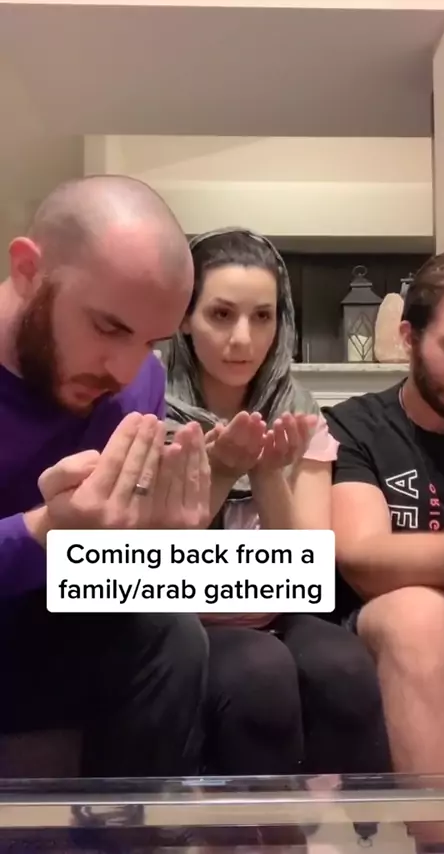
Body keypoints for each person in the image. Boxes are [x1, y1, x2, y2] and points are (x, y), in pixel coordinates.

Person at [0, 174, 210, 783]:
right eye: (108, 328)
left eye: (151, 342)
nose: (124, 369)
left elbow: (110, 583)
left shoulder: (139, 383)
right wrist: (43, 531)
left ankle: (128, 828)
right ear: (27, 270)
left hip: (54, 636)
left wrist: (157, 550)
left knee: (180, 638)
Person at [165, 227, 391, 784]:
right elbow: (156, 568)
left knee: (344, 667)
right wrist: (222, 471)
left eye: (262, 317)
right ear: (184, 318)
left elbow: (306, 570)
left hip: (278, 611)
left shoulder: (297, 412)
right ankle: (264, 828)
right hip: (180, 622)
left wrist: (267, 472)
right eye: (221, 315)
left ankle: (363, 824)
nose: (243, 338)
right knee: (257, 674)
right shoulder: (149, 409)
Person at [322, 249, 444, 851]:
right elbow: (364, 560)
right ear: (409, 338)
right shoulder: (355, 427)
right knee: (419, 610)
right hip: (392, 620)